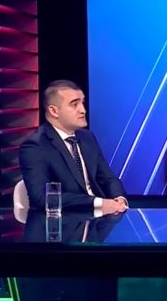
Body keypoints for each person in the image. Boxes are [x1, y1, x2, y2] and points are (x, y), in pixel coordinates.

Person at [19, 80, 128, 214]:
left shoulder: (87, 137)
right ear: (54, 111)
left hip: (99, 218)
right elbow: (42, 198)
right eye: (74, 104)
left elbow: (108, 178)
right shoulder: (35, 146)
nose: (83, 110)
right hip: (63, 221)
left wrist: (119, 198)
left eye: (82, 103)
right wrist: (98, 203)